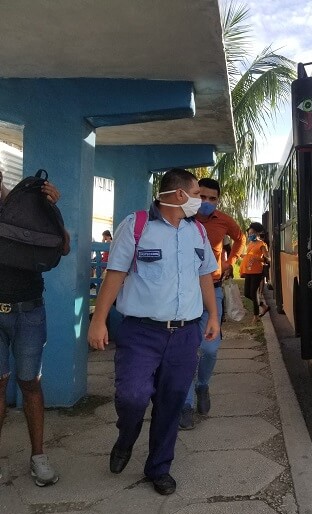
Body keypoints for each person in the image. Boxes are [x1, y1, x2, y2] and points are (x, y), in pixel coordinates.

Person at [87, 168, 219, 496]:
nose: (201, 203)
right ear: (179, 195)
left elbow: (205, 275)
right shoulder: (136, 225)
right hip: (141, 332)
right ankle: (126, 437)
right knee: (131, 396)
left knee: (171, 402)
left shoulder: (197, 233)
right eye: (198, 196)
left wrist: (213, 314)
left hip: (185, 333)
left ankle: (158, 468)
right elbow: (114, 274)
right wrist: (98, 320)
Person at [0, 170, 70, 486]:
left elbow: (63, 247)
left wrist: (53, 209)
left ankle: (38, 457)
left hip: (28, 313)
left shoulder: (29, 205)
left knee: (30, 384)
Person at [180, 177, 244, 430]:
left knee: (209, 349)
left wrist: (231, 262)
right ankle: (184, 405)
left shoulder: (224, 220)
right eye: (202, 197)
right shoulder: (182, 218)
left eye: (212, 198)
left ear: (218, 200)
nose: (206, 202)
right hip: (183, 293)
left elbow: (240, 238)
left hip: (212, 290)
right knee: (184, 351)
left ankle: (202, 386)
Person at [240, 222, 270, 321]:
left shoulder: (262, 244)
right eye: (249, 233)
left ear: (257, 233)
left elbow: (268, 259)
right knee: (247, 294)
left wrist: (258, 258)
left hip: (257, 272)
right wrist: (244, 256)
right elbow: (250, 255)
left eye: (252, 233)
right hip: (248, 271)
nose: (250, 235)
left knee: (253, 292)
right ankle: (263, 306)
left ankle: (256, 316)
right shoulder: (250, 244)